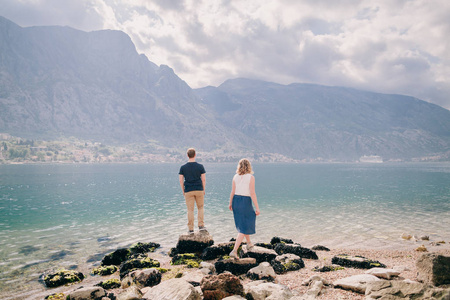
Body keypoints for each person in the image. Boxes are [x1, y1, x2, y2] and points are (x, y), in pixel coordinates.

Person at [228, 158, 260, 258]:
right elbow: (252, 193)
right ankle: (234, 250)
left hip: (236, 200)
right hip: (245, 201)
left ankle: (249, 243)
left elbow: (232, 191)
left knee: (243, 222)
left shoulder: (235, 176)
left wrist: (230, 203)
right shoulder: (251, 177)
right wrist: (257, 207)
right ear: (249, 166)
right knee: (245, 223)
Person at [179, 148, 206, 234]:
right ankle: (201, 225)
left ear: (187, 155)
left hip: (188, 190)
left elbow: (180, 180)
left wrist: (183, 190)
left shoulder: (183, 167)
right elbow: (204, 180)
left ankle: (190, 229)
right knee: (200, 208)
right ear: (195, 155)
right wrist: (203, 189)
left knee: (190, 210)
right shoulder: (200, 166)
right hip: (199, 189)